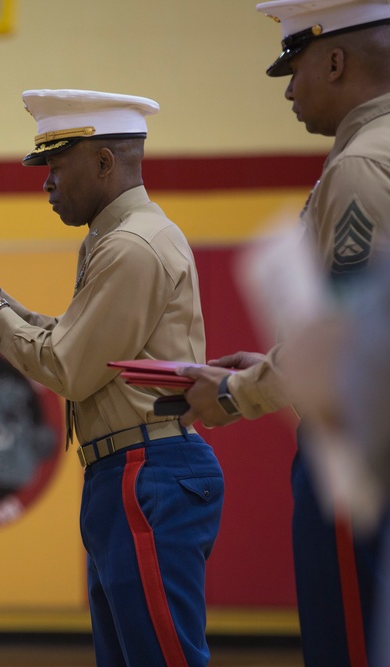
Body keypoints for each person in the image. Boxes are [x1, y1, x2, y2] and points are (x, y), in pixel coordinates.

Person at [0, 89, 224, 667]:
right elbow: (76, 342)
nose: (46, 181)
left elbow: (69, 368)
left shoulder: (131, 245)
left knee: (160, 656)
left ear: (103, 162)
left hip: (147, 470)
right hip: (132, 467)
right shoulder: (113, 237)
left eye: (56, 165)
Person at [176, 0, 390, 663]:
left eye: (294, 68)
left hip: (363, 456)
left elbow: (354, 336)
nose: (291, 89)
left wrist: (239, 391)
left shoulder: (360, 164)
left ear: (335, 60)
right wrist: (274, 364)